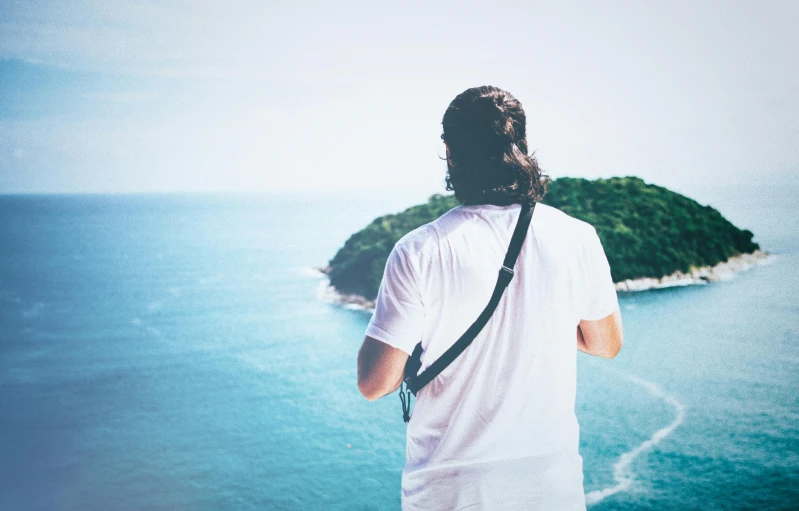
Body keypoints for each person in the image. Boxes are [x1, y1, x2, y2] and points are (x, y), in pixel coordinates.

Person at [357, 85, 623, 510]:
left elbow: (375, 384)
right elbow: (606, 344)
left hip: (451, 492)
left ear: (449, 152)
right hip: (552, 489)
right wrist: (545, 316)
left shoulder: (419, 249)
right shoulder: (578, 238)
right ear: (522, 147)